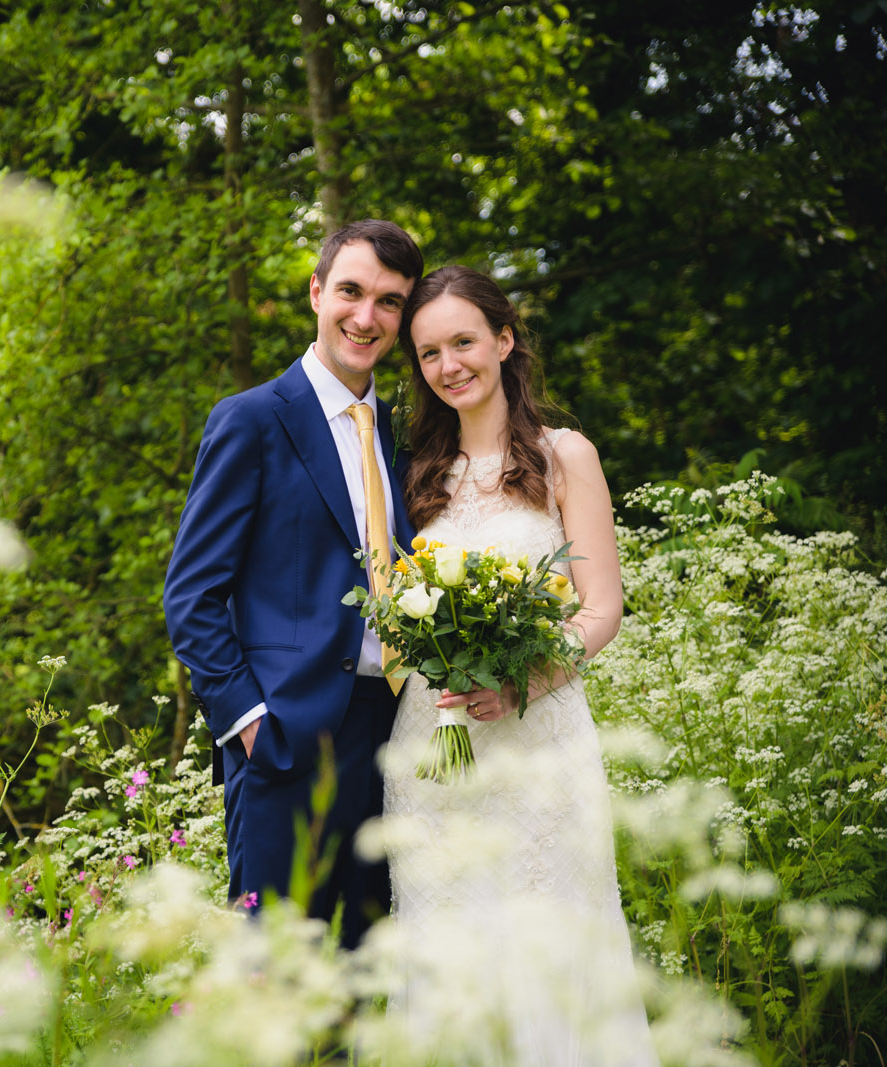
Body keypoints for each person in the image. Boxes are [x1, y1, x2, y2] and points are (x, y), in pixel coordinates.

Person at [379, 264, 657, 1062]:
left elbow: (601, 606)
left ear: (504, 340)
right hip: (433, 751)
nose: (448, 365)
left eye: (463, 341)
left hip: (540, 746)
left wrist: (523, 678)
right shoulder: (414, 476)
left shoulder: (565, 456)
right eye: (429, 353)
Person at [164, 219, 421, 948]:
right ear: (316, 291)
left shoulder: (406, 437)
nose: (365, 317)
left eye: (389, 302)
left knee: (357, 972)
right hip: (283, 741)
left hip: (394, 738)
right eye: (350, 291)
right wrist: (248, 721)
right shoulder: (251, 420)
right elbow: (192, 594)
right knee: (277, 979)